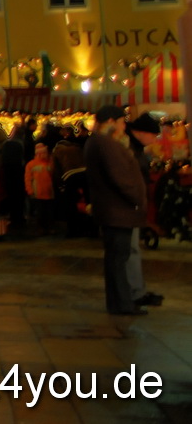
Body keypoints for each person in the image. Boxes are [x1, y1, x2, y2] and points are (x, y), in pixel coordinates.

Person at [84, 105, 150, 315]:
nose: (124, 127)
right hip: (119, 211)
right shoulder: (106, 144)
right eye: (122, 122)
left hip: (113, 210)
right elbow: (120, 178)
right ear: (111, 122)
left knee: (115, 258)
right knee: (118, 259)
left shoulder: (98, 142)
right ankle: (122, 304)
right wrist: (137, 199)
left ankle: (118, 303)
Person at [126, 114, 165, 309]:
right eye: (154, 135)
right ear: (141, 133)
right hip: (128, 208)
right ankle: (133, 293)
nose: (155, 139)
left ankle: (136, 291)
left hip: (133, 206)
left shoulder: (136, 148)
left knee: (132, 250)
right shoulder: (129, 149)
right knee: (129, 250)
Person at [0, 123, 27, 235]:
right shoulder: (21, 144)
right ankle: (19, 217)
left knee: (11, 195)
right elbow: (23, 160)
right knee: (19, 197)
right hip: (19, 174)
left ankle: (12, 216)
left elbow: (3, 160)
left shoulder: (6, 144)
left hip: (8, 174)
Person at [25, 142, 55, 235]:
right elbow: (28, 179)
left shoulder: (49, 163)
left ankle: (47, 228)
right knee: (41, 212)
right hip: (39, 192)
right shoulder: (32, 164)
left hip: (48, 192)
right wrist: (30, 190)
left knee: (48, 212)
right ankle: (41, 228)